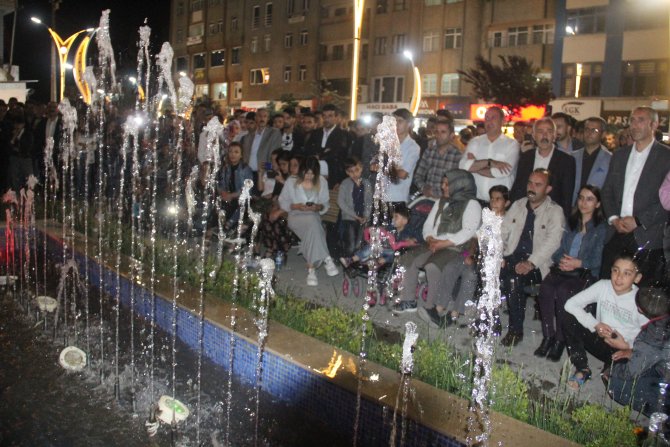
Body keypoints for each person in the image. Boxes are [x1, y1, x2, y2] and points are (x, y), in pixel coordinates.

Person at [535, 185, 607, 362]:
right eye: (581, 198)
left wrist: (579, 263)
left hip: (584, 273)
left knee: (563, 292)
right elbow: (559, 249)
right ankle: (548, 336)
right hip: (564, 269)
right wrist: (562, 260)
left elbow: (599, 259)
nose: (583, 202)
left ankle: (560, 339)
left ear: (597, 204)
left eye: (589, 199)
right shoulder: (571, 222)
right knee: (545, 288)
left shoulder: (601, 228)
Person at [393, 170, 481, 314]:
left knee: (433, 266)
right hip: (434, 242)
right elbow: (428, 225)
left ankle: (431, 307)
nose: (443, 187)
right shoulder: (441, 201)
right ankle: (408, 300)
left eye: (447, 184)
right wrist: (429, 238)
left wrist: (443, 243)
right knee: (408, 258)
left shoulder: (472, 205)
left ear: (459, 185)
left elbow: (468, 232)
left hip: (456, 247)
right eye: (443, 183)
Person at [601, 106, 670, 286]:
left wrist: (638, 220)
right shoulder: (619, 155)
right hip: (616, 232)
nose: (634, 125)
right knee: (608, 285)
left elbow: (666, 201)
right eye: (632, 120)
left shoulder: (665, 157)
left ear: (654, 125)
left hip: (647, 235)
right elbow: (607, 190)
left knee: (641, 293)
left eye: (641, 120)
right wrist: (614, 218)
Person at [563, 253, 648, 390]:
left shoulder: (641, 300)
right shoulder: (603, 286)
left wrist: (628, 347)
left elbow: (649, 335)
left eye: (627, 273)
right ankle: (582, 368)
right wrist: (595, 324)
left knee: (615, 383)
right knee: (568, 316)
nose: (619, 277)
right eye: (616, 270)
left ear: (637, 278)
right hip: (600, 338)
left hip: (623, 349)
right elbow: (570, 304)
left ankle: (611, 369)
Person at [500, 169, 565, 346]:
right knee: (486, 267)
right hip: (513, 255)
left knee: (513, 280)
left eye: (538, 184)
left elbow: (553, 242)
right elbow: (502, 231)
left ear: (548, 188)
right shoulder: (518, 205)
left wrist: (531, 262)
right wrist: (498, 254)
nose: (532, 188)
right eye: (530, 183)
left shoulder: (555, 212)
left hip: (538, 264)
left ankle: (516, 330)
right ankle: (490, 321)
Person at [606, 287, 670, 415]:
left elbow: (631, 372)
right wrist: (633, 352)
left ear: (640, 309)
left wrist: (611, 372)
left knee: (617, 384)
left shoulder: (654, 335)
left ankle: (663, 416)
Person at [278, 156, 339, 286]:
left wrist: (318, 207)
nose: (309, 176)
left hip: (313, 216)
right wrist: (296, 206)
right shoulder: (292, 181)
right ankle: (326, 257)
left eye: (312, 173)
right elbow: (283, 201)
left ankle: (311, 271)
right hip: (295, 216)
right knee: (314, 224)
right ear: (301, 170)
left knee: (312, 224)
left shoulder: (321, 181)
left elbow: (325, 204)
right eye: (307, 173)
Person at [510, 117, 576, 217]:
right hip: (524, 214)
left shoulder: (566, 161)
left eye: (549, 131)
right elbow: (518, 187)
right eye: (540, 131)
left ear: (554, 136)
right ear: (534, 135)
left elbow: (567, 197)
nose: (544, 136)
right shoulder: (525, 157)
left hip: (551, 217)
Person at [459, 106, 519, 203]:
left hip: (499, 204)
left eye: (493, 118)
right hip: (474, 200)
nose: (489, 121)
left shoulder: (512, 144)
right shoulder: (475, 142)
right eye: (486, 118)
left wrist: (476, 166)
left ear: (503, 121)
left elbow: (504, 172)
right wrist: (489, 162)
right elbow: (463, 166)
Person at [339, 204, 420, 268]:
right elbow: (383, 233)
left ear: (404, 221)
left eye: (396, 217)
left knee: (395, 253)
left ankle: (378, 260)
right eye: (393, 217)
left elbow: (419, 238)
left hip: (396, 254)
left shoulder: (410, 231)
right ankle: (351, 259)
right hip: (384, 250)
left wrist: (413, 239)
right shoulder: (390, 228)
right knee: (372, 246)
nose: (393, 219)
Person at [413, 119, 462, 199]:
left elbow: (458, 184)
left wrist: (437, 193)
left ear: (451, 135)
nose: (439, 135)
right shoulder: (429, 152)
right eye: (436, 131)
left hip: (447, 201)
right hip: (427, 199)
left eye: (443, 132)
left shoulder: (457, 156)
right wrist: (424, 188)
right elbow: (418, 176)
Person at [570, 117, 611, 205]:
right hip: (573, 207)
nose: (589, 133)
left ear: (603, 134)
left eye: (594, 130)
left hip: (597, 210)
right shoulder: (572, 157)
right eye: (587, 129)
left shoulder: (610, 159)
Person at [337, 157, 373, 256]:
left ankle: (356, 264)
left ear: (361, 168)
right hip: (349, 218)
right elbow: (341, 202)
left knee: (360, 243)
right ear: (347, 172)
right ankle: (348, 264)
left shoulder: (367, 184)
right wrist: (355, 216)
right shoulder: (345, 184)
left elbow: (369, 201)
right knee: (351, 244)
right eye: (351, 171)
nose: (354, 174)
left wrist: (366, 215)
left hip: (363, 219)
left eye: (356, 170)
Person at [387, 108, 421, 205]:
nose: (396, 124)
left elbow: (403, 174)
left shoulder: (413, 147)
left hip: (397, 197)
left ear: (409, 124)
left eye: (400, 121)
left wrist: (384, 167)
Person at [218, 142, 253, 232]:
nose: (233, 154)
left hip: (241, 197)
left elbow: (247, 190)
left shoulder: (246, 169)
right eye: (230, 151)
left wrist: (231, 195)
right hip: (229, 196)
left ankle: (229, 223)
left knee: (242, 203)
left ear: (241, 155)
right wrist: (223, 193)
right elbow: (221, 184)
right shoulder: (225, 168)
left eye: (236, 152)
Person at [241, 108, 282, 185]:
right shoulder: (247, 137)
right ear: (256, 118)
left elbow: (275, 156)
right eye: (260, 116)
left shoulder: (274, 133)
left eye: (265, 116)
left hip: (264, 175)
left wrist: (267, 167)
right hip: (248, 174)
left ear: (268, 119)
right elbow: (244, 157)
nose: (262, 119)